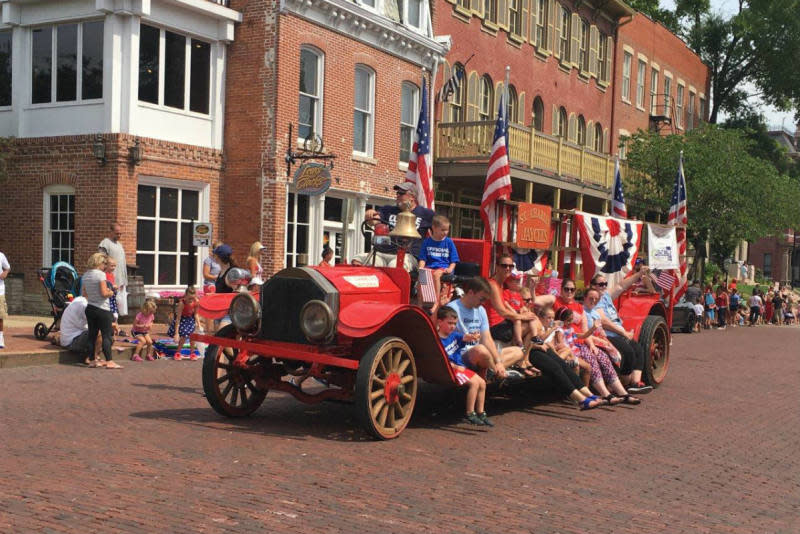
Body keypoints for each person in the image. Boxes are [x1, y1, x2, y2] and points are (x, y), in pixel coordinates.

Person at [448, 278, 603, 410]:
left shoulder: (482, 310)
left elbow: (488, 338)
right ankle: (580, 399)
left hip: (530, 349)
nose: (483, 303)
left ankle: (589, 395)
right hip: (469, 354)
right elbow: (446, 337)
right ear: (470, 292)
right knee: (554, 366)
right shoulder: (453, 309)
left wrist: (499, 361)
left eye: (529, 301)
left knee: (532, 355)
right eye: (482, 299)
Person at [588, 273, 653, 394]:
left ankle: (635, 383)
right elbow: (604, 321)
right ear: (593, 286)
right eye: (600, 284)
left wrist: (639, 273)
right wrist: (624, 333)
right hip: (607, 334)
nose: (603, 287)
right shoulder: (594, 298)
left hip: (619, 332)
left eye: (605, 284)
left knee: (638, 349)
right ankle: (624, 383)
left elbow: (621, 286)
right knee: (628, 352)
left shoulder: (606, 295)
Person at [436, 307, 491, 427]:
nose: (452, 326)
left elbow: (465, 337)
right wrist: (455, 366)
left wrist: (473, 337)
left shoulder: (454, 335)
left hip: (461, 369)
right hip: (451, 370)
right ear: (440, 322)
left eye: (454, 324)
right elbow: (440, 361)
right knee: (474, 383)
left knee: (482, 382)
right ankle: (470, 413)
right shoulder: (438, 341)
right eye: (449, 323)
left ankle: (481, 412)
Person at [363, 182, 434, 262]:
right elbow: (373, 221)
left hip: (410, 255)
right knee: (358, 260)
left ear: (412, 197)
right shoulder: (388, 210)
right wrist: (370, 213)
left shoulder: (426, 214)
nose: (397, 195)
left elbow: (440, 231)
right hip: (383, 252)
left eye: (401, 193)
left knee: (394, 266)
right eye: (397, 193)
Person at [81, 253, 121, 369]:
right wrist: (111, 291)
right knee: (106, 335)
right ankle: (109, 361)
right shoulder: (101, 275)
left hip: (90, 308)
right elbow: (104, 293)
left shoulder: (86, 275)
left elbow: (84, 294)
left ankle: (92, 361)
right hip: (102, 309)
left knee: (92, 336)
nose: (105, 266)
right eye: (104, 263)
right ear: (99, 263)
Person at [418, 214, 459, 316]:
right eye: (443, 230)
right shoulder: (427, 242)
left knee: (436, 275)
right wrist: (421, 268)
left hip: (444, 267)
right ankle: (420, 303)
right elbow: (423, 258)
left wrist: (450, 268)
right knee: (422, 275)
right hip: (430, 266)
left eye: (447, 230)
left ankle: (436, 302)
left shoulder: (449, 242)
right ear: (434, 228)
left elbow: (454, 260)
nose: (445, 232)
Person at [57, 295, 102, 361]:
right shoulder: (84, 305)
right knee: (99, 332)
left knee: (109, 335)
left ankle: (93, 355)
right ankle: (92, 358)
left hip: (70, 338)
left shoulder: (80, 300)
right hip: (71, 341)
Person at [98, 223, 128, 317]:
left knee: (118, 307)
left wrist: (124, 280)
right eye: (117, 233)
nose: (119, 235)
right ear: (110, 232)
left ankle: (116, 325)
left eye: (120, 234)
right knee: (110, 305)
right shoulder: (105, 243)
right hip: (110, 281)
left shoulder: (119, 244)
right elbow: (101, 262)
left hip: (120, 279)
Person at [168, 286, 200, 361]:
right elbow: (178, 318)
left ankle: (192, 353)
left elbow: (196, 314)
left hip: (190, 319)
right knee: (184, 336)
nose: (190, 300)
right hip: (182, 319)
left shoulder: (196, 302)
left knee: (193, 336)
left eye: (192, 298)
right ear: (185, 296)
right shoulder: (182, 303)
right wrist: (176, 333)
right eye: (189, 298)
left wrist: (199, 324)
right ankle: (178, 352)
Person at [104, 257, 119, 324]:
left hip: (113, 294)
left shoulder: (111, 274)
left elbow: (112, 283)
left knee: (115, 311)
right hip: (108, 295)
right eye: (112, 266)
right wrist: (113, 286)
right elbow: (106, 285)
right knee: (110, 310)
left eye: (114, 266)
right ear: (106, 265)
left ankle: (115, 325)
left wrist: (115, 286)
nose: (113, 268)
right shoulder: (104, 274)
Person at [0, 249, 9, 349]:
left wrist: (5, 273)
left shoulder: (1, 256)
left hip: (0, 291)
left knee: (0, 316)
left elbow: (7, 268)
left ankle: (0, 338)